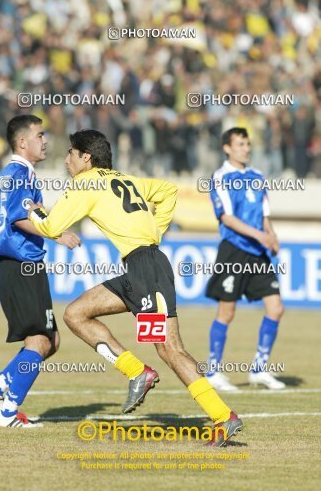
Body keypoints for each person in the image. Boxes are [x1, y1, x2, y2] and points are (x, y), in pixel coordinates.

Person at [27, 129, 243, 447]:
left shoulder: (85, 183)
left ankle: (223, 417)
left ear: (86, 157)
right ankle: (137, 372)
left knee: (169, 347)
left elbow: (50, 226)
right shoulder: (124, 179)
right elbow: (167, 191)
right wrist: (155, 231)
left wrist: (32, 208)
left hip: (146, 270)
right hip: (142, 268)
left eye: (71, 152)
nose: (66, 159)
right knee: (76, 313)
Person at [0, 115, 80, 428]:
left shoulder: (9, 174)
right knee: (40, 341)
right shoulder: (19, 173)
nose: (44, 140)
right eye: (39, 135)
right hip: (22, 265)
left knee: (51, 339)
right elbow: (17, 217)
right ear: (22, 142)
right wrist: (56, 234)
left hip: (19, 266)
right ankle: (8, 412)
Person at [205, 127, 285, 391]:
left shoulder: (257, 176)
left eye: (248, 144)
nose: (246, 148)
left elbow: (264, 215)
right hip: (234, 250)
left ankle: (259, 370)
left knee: (276, 308)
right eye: (240, 144)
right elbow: (227, 217)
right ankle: (213, 371)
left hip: (258, 252)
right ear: (227, 148)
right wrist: (260, 236)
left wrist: (271, 236)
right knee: (226, 312)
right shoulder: (220, 177)